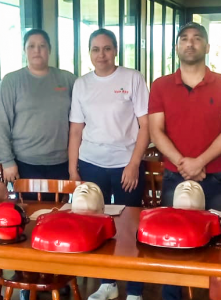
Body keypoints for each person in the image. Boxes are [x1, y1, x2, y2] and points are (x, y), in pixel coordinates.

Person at [148, 22, 221, 300]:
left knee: (219, 244)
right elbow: (156, 130)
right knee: (170, 244)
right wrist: (184, 164)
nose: (190, 43)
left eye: (197, 38)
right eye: (184, 39)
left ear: (207, 47)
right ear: (177, 47)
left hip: (214, 177)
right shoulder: (161, 85)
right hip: (173, 177)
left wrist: (198, 162)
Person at [68, 28, 149, 300]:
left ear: (115, 50)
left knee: (130, 224)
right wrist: (72, 168)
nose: (101, 55)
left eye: (106, 48)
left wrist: (134, 163)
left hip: (127, 164)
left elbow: (145, 125)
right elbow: (76, 130)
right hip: (91, 163)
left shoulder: (132, 78)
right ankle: (108, 283)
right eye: (95, 49)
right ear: (89, 53)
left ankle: (135, 288)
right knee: (97, 224)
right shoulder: (82, 84)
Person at [0, 29, 76, 186]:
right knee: (30, 209)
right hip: (24, 163)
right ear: (24, 50)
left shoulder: (67, 79)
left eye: (42, 45)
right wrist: (7, 162)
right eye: (31, 46)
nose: (37, 50)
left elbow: (80, 121)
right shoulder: (11, 81)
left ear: (49, 49)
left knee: (57, 209)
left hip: (61, 162)